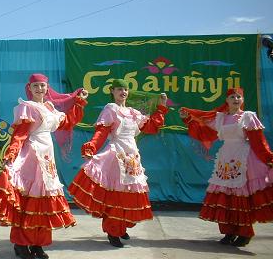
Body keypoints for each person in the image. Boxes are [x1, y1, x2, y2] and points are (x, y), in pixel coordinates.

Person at [0, 73, 88, 259]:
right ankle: (21, 244)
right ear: (29, 88)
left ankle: (38, 244)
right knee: (27, 201)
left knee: (43, 203)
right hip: (32, 154)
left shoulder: (50, 108)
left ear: (47, 88)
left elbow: (67, 122)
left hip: (47, 157)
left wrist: (79, 103)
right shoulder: (27, 107)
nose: (40, 89)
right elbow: (20, 134)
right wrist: (12, 153)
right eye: (36, 86)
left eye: (43, 86)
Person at [68, 79, 168, 248]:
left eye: (125, 90)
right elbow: (101, 132)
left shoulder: (133, 112)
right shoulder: (111, 109)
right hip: (116, 154)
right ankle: (113, 231)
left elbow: (151, 127)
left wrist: (162, 107)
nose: (123, 92)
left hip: (132, 157)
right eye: (119, 89)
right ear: (112, 91)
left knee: (130, 195)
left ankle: (121, 226)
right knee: (117, 195)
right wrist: (92, 146)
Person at [179, 87, 273, 247]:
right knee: (225, 197)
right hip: (225, 159)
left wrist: (269, 158)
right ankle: (229, 232)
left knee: (240, 198)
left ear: (242, 100)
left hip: (244, 159)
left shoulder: (248, 117)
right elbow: (204, 134)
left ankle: (244, 233)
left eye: (239, 97)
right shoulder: (220, 118)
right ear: (227, 101)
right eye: (232, 97)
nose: (236, 99)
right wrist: (187, 119)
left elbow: (258, 141)